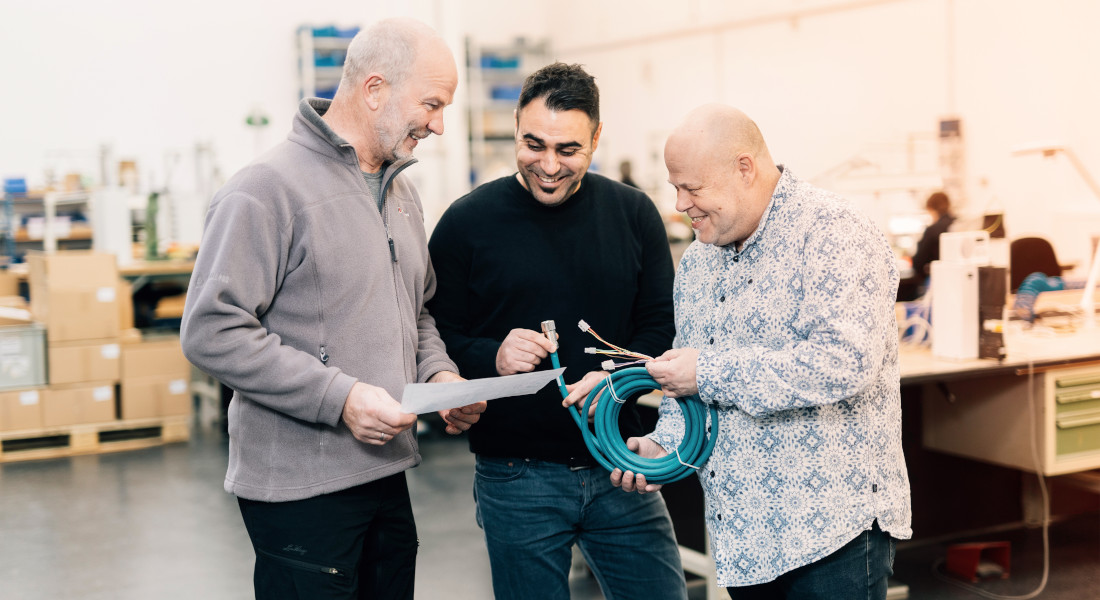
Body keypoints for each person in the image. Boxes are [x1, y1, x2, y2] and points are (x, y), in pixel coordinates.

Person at [179, 17, 485, 600]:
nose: (440, 125)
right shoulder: (265, 189)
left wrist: (438, 375)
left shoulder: (401, 192)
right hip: (300, 489)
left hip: (386, 469)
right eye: (431, 104)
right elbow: (211, 330)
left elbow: (414, 311)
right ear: (375, 90)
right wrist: (340, 398)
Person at [613, 103, 912, 599]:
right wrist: (664, 446)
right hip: (744, 539)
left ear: (744, 168)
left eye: (693, 188)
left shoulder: (833, 233)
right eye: (676, 189)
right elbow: (684, 377)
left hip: (829, 533)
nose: (681, 203)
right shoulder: (697, 264)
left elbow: (842, 361)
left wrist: (706, 372)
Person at [426, 62, 688, 600]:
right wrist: (490, 354)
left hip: (623, 462)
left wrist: (616, 375)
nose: (547, 166)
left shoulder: (634, 214)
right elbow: (433, 331)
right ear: (517, 128)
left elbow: (661, 324)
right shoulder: (466, 223)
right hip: (516, 475)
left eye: (567, 149)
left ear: (595, 138)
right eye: (532, 144)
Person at [898, 191, 954, 300]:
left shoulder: (932, 231)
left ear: (931, 209)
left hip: (936, 282)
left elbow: (919, 261)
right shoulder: (958, 225)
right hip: (955, 281)